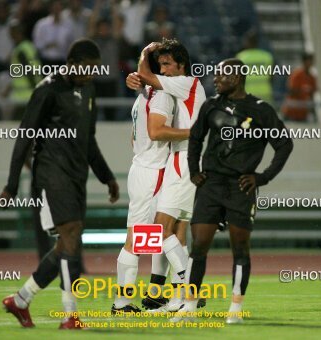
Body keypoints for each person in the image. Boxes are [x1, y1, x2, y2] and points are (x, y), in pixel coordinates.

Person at [0, 39, 119, 330]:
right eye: (87, 68)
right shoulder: (47, 90)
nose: (91, 74)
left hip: (77, 176)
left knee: (66, 243)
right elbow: (24, 137)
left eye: (94, 69)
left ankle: (21, 299)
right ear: (72, 62)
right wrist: (12, 185)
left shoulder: (88, 90)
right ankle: (70, 316)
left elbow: (89, 141)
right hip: (51, 174)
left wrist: (107, 177)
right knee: (70, 236)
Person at [173, 58, 293, 324]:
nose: (215, 79)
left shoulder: (261, 110)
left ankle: (235, 309)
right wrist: (194, 171)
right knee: (199, 246)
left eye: (221, 75)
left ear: (236, 78)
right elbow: (195, 138)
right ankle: (189, 306)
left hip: (241, 186)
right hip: (211, 185)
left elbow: (284, 145)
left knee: (240, 248)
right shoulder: (211, 106)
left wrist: (263, 177)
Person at [125, 38, 206, 312]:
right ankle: (173, 298)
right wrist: (137, 80)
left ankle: (189, 289)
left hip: (184, 160)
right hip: (178, 160)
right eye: (160, 64)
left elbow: (147, 78)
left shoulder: (185, 83)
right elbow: (146, 81)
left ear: (182, 65)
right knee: (175, 230)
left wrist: (145, 52)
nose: (164, 70)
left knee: (158, 229)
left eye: (168, 64)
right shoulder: (170, 89)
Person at [111, 50, 189, 313]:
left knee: (154, 235)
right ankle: (185, 284)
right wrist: (194, 133)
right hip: (153, 171)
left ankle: (149, 295)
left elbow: (135, 138)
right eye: (164, 66)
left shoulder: (144, 93)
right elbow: (156, 132)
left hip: (142, 167)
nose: (168, 71)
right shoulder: (162, 95)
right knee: (146, 236)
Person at [236, 30, 274, 105]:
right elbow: (272, 77)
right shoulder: (267, 56)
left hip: (247, 95)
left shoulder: (240, 57)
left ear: (247, 42)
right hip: (265, 93)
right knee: (264, 116)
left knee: (248, 116)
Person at [32, 0, 74, 66]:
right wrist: (48, 45)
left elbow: (71, 43)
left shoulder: (68, 25)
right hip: (45, 61)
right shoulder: (41, 24)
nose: (56, 9)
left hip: (61, 61)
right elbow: (36, 44)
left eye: (58, 7)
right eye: (54, 7)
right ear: (50, 8)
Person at [281, 53, 317, 122]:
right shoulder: (297, 75)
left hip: (303, 113)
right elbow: (291, 90)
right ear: (304, 61)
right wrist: (303, 90)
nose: (311, 63)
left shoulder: (312, 77)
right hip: (291, 112)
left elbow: (312, 94)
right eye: (309, 61)